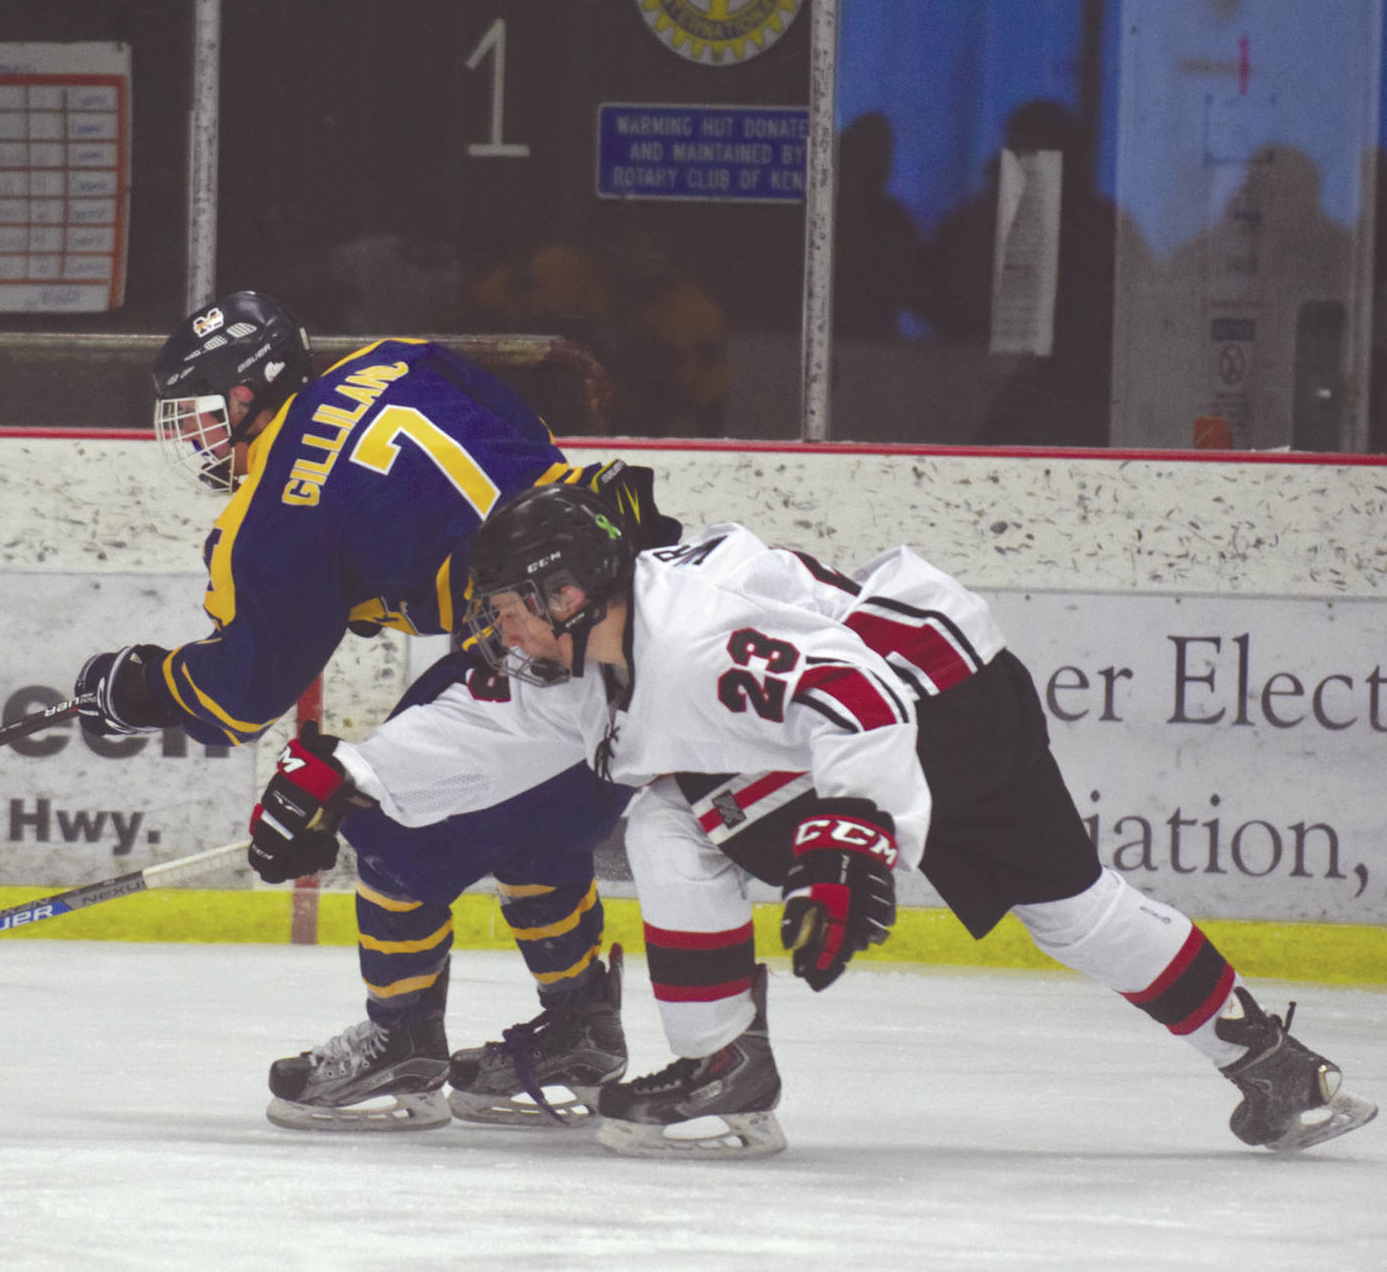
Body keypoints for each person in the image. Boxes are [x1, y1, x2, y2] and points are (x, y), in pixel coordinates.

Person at [246, 484, 1379, 1159]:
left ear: (562, 594)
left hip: (907, 711)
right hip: (966, 688)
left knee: (672, 825)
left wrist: (854, 825)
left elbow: (846, 693)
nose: (495, 632)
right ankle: (1275, 1069)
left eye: (503, 609)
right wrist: (349, 776)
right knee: (1076, 911)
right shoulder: (599, 645)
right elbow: (493, 735)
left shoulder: (684, 639)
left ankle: (722, 1072)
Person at [74, 291, 681, 1132]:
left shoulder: (277, 506)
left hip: (542, 643)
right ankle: (579, 1021)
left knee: (382, 809)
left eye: (204, 415)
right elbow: (523, 437)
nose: (196, 438)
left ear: (249, 394)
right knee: (538, 817)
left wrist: (141, 686)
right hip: (629, 594)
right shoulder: (395, 355)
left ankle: (403, 1034)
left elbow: (241, 694)